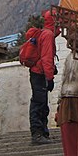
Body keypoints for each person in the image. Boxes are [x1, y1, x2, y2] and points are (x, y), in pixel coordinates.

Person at [28, 10, 57, 145]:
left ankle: (42, 133)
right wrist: (49, 77)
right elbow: (47, 58)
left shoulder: (45, 33)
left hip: (37, 73)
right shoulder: (48, 35)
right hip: (40, 74)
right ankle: (38, 134)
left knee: (40, 103)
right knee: (39, 104)